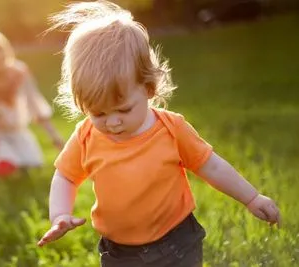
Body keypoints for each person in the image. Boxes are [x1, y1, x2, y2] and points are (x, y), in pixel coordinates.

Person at [37, 1, 281, 266]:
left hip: (177, 242)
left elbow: (211, 166)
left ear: (149, 88)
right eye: (98, 114)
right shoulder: (86, 136)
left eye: (123, 109)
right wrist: (60, 213)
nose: (113, 122)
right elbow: (66, 176)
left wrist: (251, 197)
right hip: (120, 253)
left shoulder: (171, 129)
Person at [0, 30, 64, 177]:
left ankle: (3, 162)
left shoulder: (20, 72)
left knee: (33, 165)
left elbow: (35, 104)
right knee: (10, 168)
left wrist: (54, 136)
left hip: (18, 131)